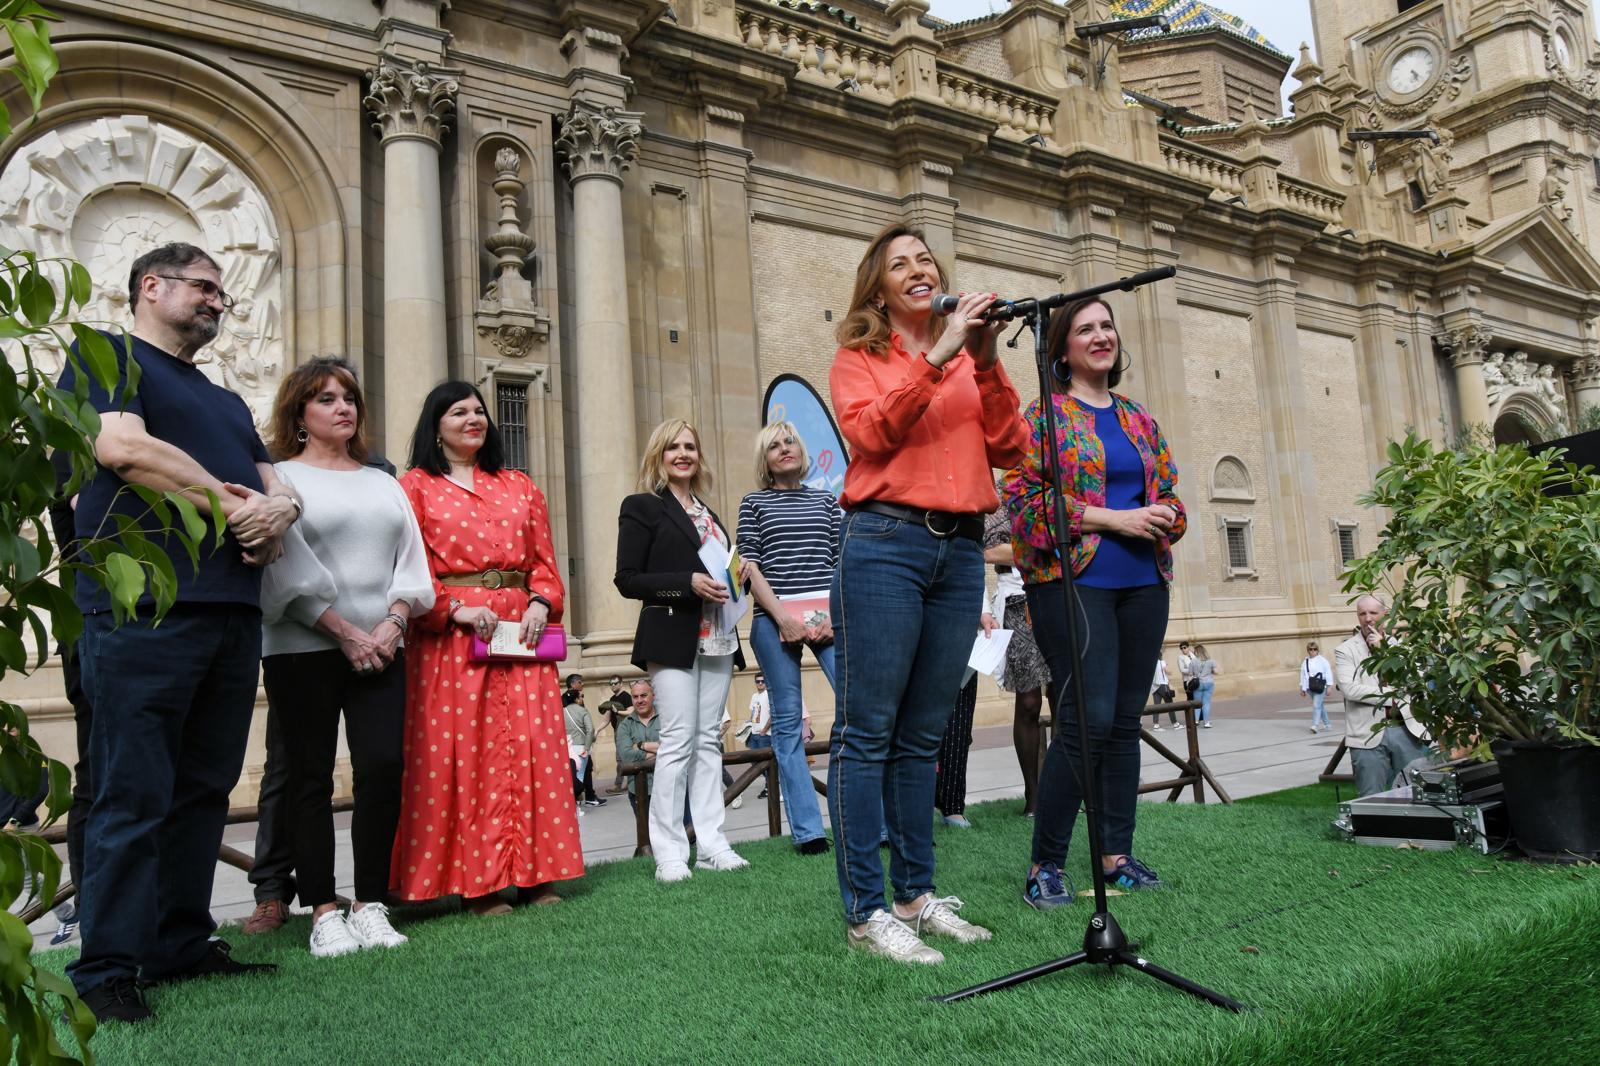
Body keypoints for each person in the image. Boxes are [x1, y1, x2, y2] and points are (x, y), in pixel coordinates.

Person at [59, 243, 297, 1022]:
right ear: (149, 286)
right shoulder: (108, 357)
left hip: (230, 610)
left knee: (202, 789)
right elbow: (123, 448)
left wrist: (280, 510)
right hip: (142, 612)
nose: (219, 303)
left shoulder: (227, 403)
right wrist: (236, 509)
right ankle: (107, 967)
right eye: (204, 287)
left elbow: (275, 483)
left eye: (222, 294)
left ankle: (180, 942)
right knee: (132, 792)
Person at [827, 223, 1028, 963]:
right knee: (866, 732)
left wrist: (984, 357)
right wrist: (941, 356)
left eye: (925, 259)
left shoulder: (969, 361)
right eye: (898, 264)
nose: (916, 269)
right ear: (878, 287)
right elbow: (874, 435)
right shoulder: (859, 358)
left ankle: (913, 897)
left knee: (922, 737)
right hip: (884, 545)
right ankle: (863, 911)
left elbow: (1010, 447)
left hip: (960, 551)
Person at [1003, 294, 1186, 911]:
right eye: (1085, 329)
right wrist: (1115, 519)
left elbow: (1173, 495)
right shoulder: (1043, 418)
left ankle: (1116, 856)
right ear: (1061, 349)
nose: (1101, 335)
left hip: (1144, 583)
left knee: (1124, 721)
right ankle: (1045, 864)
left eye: (1107, 325)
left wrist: (1164, 518)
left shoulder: (1138, 418)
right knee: (1086, 720)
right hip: (1073, 584)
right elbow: (1023, 511)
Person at [258, 357, 433, 957]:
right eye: (326, 398)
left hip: (384, 646)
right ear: (299, 413)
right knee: (308, 777)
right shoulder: (279, 478)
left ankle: (370, 903)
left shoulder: (384, 482)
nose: (343, 408)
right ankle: (323, 911)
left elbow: (412, 566)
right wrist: (344, 631)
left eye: (349, 398)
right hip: (303, 646)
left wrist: (390, 623)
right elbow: (279, 568)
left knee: (383, 768)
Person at [392, 381, 581, 915]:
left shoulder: (521, 485)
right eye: (459, 412)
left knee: (532, 748)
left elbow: (545, 560)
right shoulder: (415, 488)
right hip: (454, 640)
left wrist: (543, 601)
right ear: (436, 426)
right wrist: (452, 609)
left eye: (480, 411)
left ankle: (538, 875)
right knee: (467, 755)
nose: (474, 418)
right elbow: (409, 570)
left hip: (521, 633)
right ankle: (480, 884)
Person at [614, 419, 750, 883]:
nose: (683, 453)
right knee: (677, 741)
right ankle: (669, 852)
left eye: (690, 446)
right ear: (659, 454)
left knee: (709, 740)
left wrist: (737, 575)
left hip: (717, 635)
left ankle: (712, 843)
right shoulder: (641, 507)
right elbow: (627, 579)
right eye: (673, 446)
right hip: (671, 634)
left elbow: (717, 570)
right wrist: (685, 584)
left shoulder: (709, 513)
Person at [735, 421, 840, 854]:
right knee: (787, 722)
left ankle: (861, 819)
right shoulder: (754, 503)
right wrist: (783, 619)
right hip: (773, 619)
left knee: (857, 711)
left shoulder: (827, 501)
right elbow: (750, 568)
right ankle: (809, 831)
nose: (784, 449)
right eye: (774, 446)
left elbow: (843, 559)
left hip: (829, 617)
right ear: (765, 460)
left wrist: (837, 614)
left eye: (790, 441)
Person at [983, 499, 1054, 815]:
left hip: (1058, 596)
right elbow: (985, 552)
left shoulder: (1055, 488)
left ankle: (1062, 786)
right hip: (1016, 604)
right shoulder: (999, 499)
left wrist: (1017, 550)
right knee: (1028, 702)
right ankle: (1034, 794)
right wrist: (1042, 547)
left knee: (1064, 698)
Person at [1337, 596, 1430, 796]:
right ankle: (1374, 828)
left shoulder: (1403, 647)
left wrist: (1386, 652)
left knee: (1416, 792)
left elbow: (1415, 681)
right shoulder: (1345, 650)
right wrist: (1394, 695)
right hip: (1367, 733)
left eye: (1373, 613)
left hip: (1405, 729)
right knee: (1370, 796)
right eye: (1362, 614)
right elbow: (1350, 690)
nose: (1368, 619)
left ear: (1385, 615)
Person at [934, 604, 998, 830]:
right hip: (916, 609)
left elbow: (973, 568)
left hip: (960, 617)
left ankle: (952, 806)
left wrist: (984, 611)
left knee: (958, 722)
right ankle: (919, 799)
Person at [615, 679, 661, 813]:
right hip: (639, 792)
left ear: (653, 696)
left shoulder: (667, 719)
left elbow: (677, 747)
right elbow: (626, 756)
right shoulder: (625, 725)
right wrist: (660, 750)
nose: (639, 700)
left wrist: (641, 745)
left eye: (644, 695)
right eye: (635, 697)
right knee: (646, 833)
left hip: (669, 788)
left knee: (680, 831)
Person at [601, 676, 634, 795]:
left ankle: (619, 785)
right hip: (617, 732)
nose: (613, 685)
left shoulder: (625, 696)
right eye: (611, 684)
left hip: (626, 732)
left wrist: (618, 712)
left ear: (621, 683)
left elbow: (631, 711)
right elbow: (607, 719)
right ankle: (628, 783)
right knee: (622, 759)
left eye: (615, 683)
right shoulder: (612, 698)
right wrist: (597, 730)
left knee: (622, 758)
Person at [746, 674, 774, 800]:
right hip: (754, 734)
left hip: (765, 735)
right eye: (758, 681)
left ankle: (770, 786)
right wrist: (748, 727)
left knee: (765, 763)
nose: (760, 683)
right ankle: (772, 782)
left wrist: (764, 730)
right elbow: (753, 713)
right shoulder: (754, 696)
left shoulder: (768, 695)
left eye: (763, 681)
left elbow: (773, 715)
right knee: (754, 762)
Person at [1300, 640, 1335, 734]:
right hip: (1309, 687)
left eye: (1315, 649)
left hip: (1320, 686)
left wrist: (1329, 686)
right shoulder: (1305, 661)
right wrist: (1302, 688)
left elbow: (1328, 673)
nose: (1313, 651)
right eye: (1310, 649)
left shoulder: (1323, 661)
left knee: (1316, 705)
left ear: (1317, 650)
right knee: (1320, 706)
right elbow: (1303, 675)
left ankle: (1315, 725)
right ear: (1308, 650)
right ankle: (1328, 725)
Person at [1192, 644, 1219, 728]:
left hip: (1198, 683)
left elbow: (1190, 673)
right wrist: (1210, 671)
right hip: (1209, 683)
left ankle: (1196, 720)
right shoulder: (1211, 661)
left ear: (1196, 652)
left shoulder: (1193, 661)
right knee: (1206, 703)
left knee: (1197, 703)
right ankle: (1206, 722)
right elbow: (1216, 672)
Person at [1151, 657, 1178, 730]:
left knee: (1156, 706)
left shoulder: (1151, 662)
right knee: (1170, 705)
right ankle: (1175, 723)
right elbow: (1168, 671)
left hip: (1154, 687)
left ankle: (1156, 725)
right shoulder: (1161, 662)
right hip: (1163, 685)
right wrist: (1167, 667)